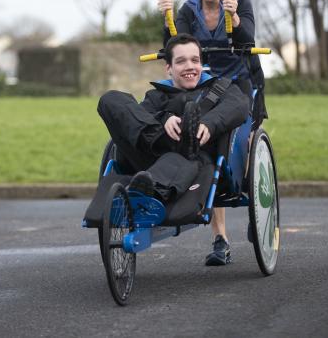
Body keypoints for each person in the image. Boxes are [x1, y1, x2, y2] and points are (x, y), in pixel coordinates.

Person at [97, 33, 249, 265]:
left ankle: (153, 187)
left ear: (201, 63)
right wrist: (163, 119)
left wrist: (208, 124)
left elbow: (239, 106)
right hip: (150, 154)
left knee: (185, 153)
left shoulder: (221, 88)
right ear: (168, 68)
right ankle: (168, 143)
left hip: (195, 160)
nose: (190, 67)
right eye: (181, 61)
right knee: (110, 99)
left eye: (195, 60)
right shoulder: (157, 95)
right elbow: (138, 116)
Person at [157, 0, 267, 265]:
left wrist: (233, 18)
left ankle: (254, 208)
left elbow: (247, 42)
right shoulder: (189, 9)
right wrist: (167, 17)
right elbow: (175, 45)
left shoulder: (239, 2)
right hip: (204, 84)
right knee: (211, 144)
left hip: (239, 83)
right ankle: (220, 238)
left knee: (241, 139)